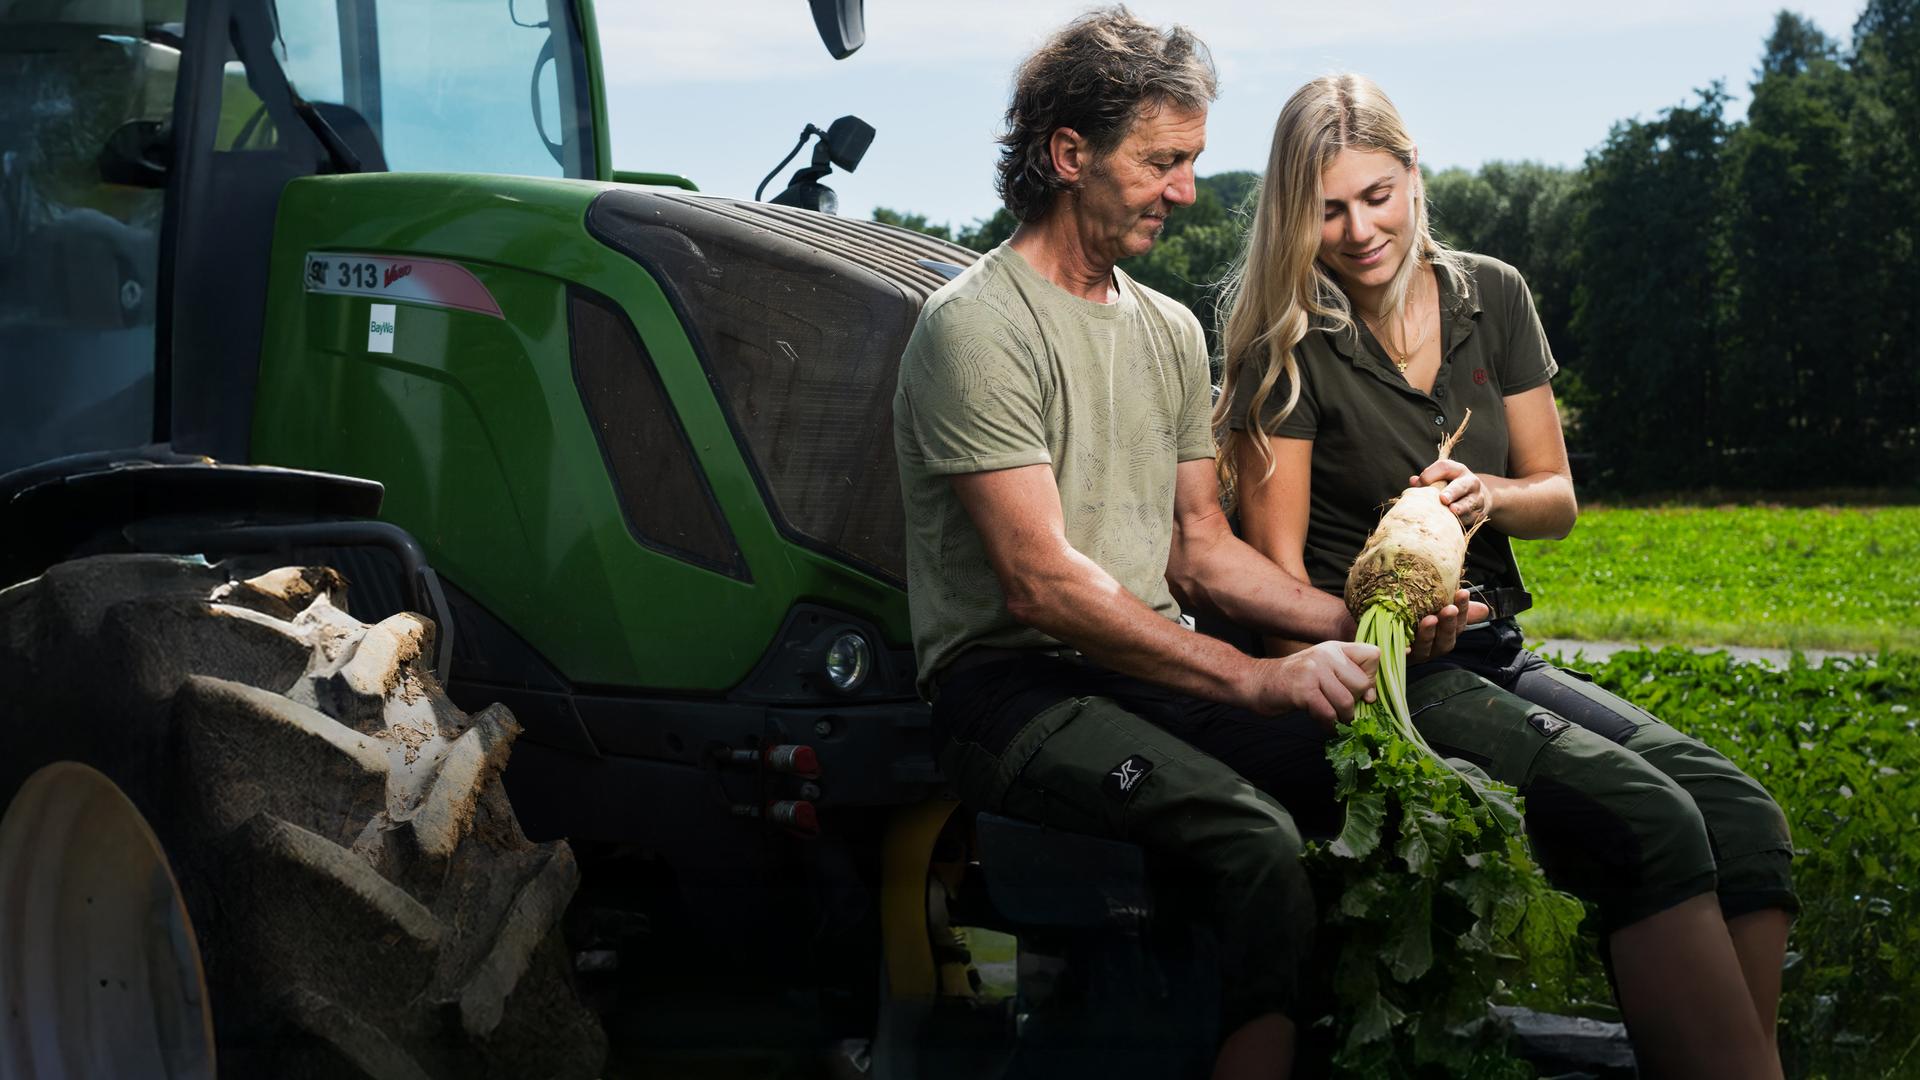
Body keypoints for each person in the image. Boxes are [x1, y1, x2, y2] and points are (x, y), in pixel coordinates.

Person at [891, 13, 1487, 1079]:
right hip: (1011, 691)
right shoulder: (975, 326)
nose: (1186, 192)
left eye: (1193, 162)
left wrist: (1363, 622)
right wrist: (1257, 684)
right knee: (1252, 842)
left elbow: (1201, 552)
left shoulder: (1166, 327)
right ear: (1069, 155)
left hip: (1141, 668)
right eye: (1162, 162)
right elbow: (1042, 588)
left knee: (1383, 775)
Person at [1215, 73, 1797, 1078]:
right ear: (1293, 216)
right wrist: (1377, 629)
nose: (1359, 231)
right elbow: (1274, 603)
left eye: (1378, 195)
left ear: (1414, 179)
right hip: (1390, 669)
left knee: (1743, 820)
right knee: (1649, 819)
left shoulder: (1496, 294)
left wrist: (1486, 494)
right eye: (1329, 209)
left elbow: (1557, 497)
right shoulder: (1290, 349)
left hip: (1494, 653)